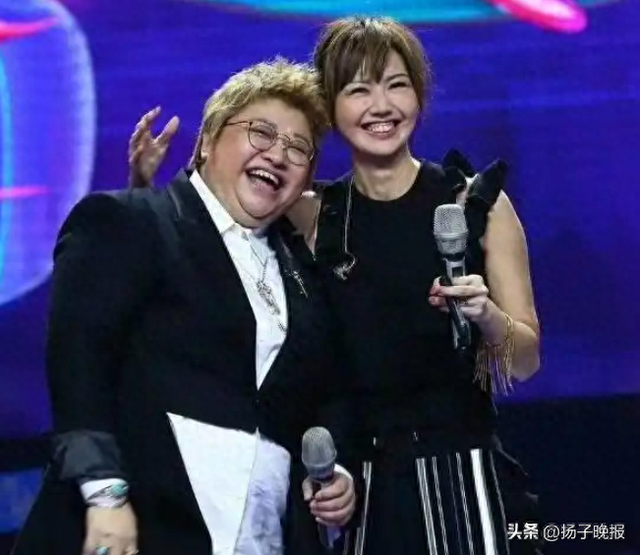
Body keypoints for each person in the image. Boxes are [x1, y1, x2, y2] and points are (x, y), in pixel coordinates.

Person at [129, 17, 543, 555]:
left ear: (419, 95)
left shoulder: (474, 205)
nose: (381, 106)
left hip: (466, 481)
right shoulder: (310, 215)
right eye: (358, 90)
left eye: (397, 85)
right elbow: (203, 243)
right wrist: (144, 188)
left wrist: (487, 316)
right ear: (329, 106)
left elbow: (525, 361)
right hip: (358, 490)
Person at [11, 58, 357, 555]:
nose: (279, 154)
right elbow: (79, 361)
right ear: (208, 140)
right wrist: (105, 495)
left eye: (298, 148)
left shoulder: (304, 277)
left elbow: (327, 393)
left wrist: (336, 472)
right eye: (261, 132)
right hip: (138, 527)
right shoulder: (131, 221)